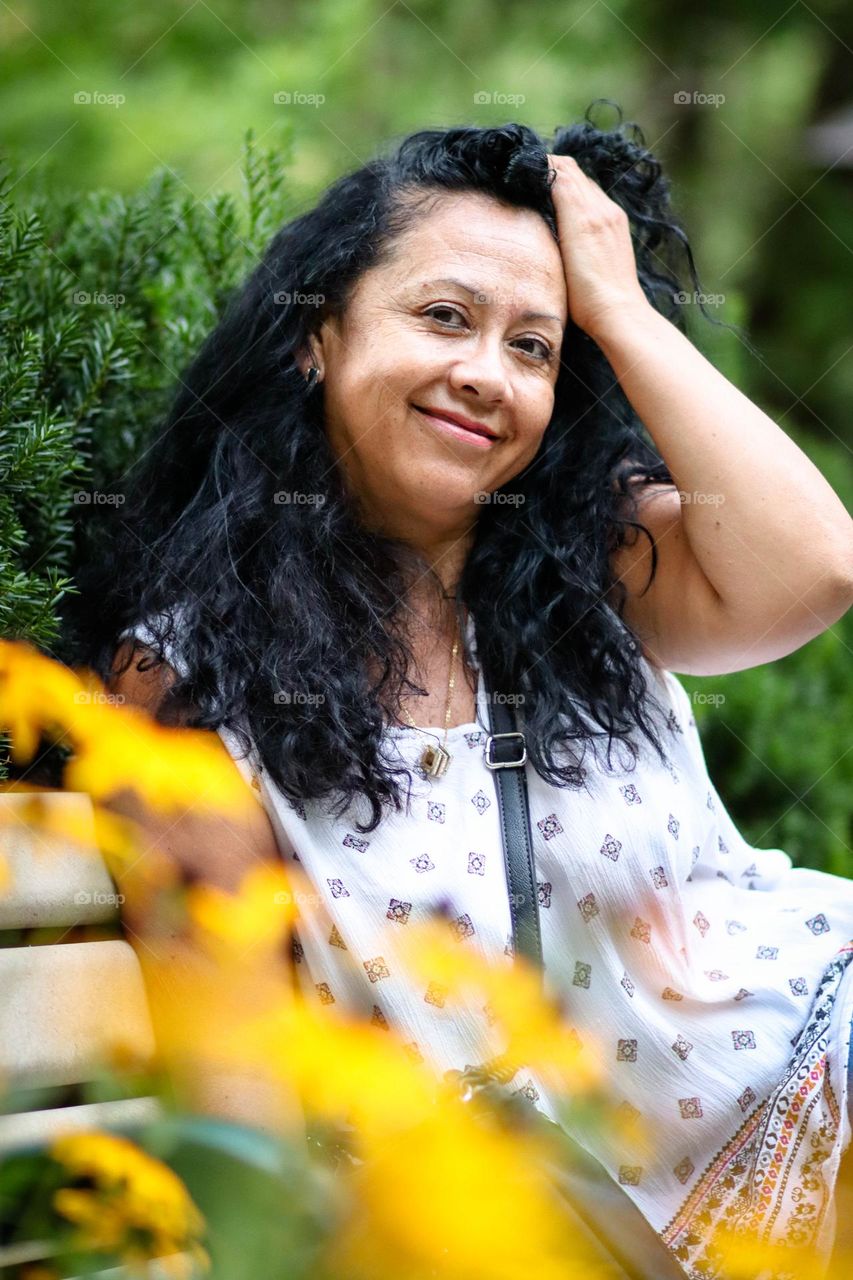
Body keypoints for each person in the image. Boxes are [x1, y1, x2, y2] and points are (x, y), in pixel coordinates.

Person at [74, 110, 853, 1276]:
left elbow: (815, 569)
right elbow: (231, 1078)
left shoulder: (591, 563)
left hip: (809, 1079)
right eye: (444, 316)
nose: (485, 374)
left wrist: (619, 310)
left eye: (534, 347)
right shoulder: (192, 677)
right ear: (315, 338)